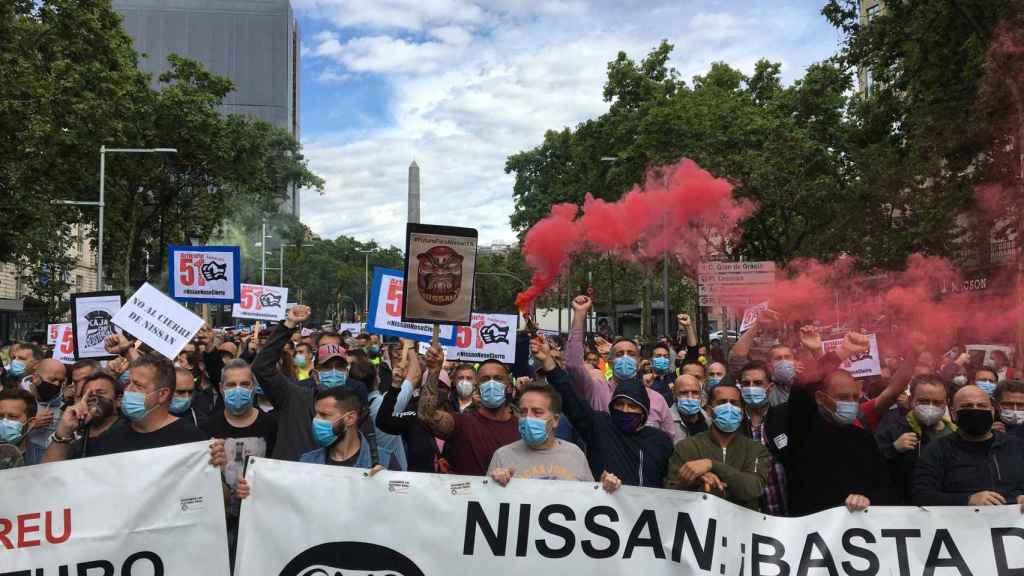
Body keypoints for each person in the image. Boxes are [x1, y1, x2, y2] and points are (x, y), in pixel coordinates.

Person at [536, 337, 672, 489]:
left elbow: (673, 480)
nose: (625, 410)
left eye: (633, 406)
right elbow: (570, 397)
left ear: (644, 410)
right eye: (620, 404)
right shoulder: (600, 427)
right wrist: (548, 361)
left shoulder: (660, 440)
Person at [253, 305, 367, 461]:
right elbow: (262, 367)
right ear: (316, 374)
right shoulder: (293, 397)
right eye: (327, 367)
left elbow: (366, 450)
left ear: (346, 373)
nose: (334, 372)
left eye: (339, 367)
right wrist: (288, 325)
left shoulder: (354, 409)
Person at [779, 364, 892, 515]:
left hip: (857, 528)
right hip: (811, 530)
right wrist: (840, 353)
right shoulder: (804, 432)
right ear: (820, 398)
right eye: (843, 397)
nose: (851, 403)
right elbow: (801, 393)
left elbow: (883, 485)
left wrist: (867, 499)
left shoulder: (864, 438)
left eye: (855, 397)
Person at [51, 353, 212, 458]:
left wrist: (218, 465)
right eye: (128, 383)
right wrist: (64, 431)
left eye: (138, 385)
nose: (128, 390)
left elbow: (214, 496)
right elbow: (52, 481)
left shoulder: (192, 439)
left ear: (162, 394)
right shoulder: (110, 438)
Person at [566, 296, 678, 441]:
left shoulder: (656, 399)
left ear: (639, 362)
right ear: (610, 362)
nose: (625, 358)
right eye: (619, 354)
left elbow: (668, 439)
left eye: (631, 354)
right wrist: (580, 315)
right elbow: (573, 365)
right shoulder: (596, 390)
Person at [201, 358, 276, 566]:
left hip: (258, 523)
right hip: (219, 525)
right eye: (231, 385)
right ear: (221, 388)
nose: (238, 390)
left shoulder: (272, 425)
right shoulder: (207, 428)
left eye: (244, 384)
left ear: (254, 387)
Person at [913, 384, 1024, 508]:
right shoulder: (936, 450)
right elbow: (922, 495)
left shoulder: (1016, 446)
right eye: (967, 406)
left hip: (1014, 523)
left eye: (982, 406)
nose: (975, 410)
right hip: (961, 524)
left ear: (992, 411)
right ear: (953, 413)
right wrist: (967, 500)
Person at [418, 343, 519, 476]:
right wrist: (433, 370)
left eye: (498, 379)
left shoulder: (522, 427)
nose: (492, 383)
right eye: (485, 379)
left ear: (509, 387)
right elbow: (426, 415)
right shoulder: (462, 423)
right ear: (477, 387)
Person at [664, 384, 770, 510]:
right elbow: (670, 493)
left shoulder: (756, 449)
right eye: (722, 402)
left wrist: (712, 465)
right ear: (709, 410)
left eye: (734, 403)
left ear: (742, 412)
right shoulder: (687, 447)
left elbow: (753, 488)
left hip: (742, 526)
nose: (729, 407)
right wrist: (693, 481)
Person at [488, 381, 593, 485]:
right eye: (523, 412)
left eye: (537, 412)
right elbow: (486, 497)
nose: (528, 417)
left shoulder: (575, 454)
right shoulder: (502, 456)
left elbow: (591, 497)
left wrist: (607, 489)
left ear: (555, 420)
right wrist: (495, 485)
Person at [874, 374, 956, 504]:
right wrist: (893, 448)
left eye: (937, 402)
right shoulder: (893, 427)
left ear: (946, 402)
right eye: (923, 401)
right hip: (903, 507)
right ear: (911, 400)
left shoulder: (954, 433)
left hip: (943, 506)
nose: (930, 407)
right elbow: (871, 466)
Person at [735, 360, 788, 516]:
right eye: (746, 383)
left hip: (792, 515)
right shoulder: (734, 425)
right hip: (754, 518)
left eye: (758, 383)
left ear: (769, 387)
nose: (751, 388)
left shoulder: (784, 417)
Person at [376, 342, 437, 473]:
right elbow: (383, 423)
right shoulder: (412, 416)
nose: (429, 397)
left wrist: (435, 371)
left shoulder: (454, 418)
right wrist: (395, 385)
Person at [43, 371, 122, 462]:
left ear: (118, 400)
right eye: (88, 395)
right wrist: (65, 431)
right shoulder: (73, 434)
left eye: (100, 393)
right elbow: (50, 469)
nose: (94, 398)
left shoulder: (130, 429)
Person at [23, 358, 67, 465]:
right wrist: (30, 425)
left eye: (60, 381)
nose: (56, 385)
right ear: (35, 378)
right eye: (52, 379)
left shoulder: (63, 406)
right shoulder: (15, 399)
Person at [0, 387, 36, 467]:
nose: (3, 422)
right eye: (0, 416)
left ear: (30, 423)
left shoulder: (42, 458)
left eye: (12, 416)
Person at [670, 374, 708, 440]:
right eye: (684, 393)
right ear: (674, 393)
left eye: (695, 392)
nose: (690, 398)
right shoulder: (666, 420)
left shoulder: (708, 419)